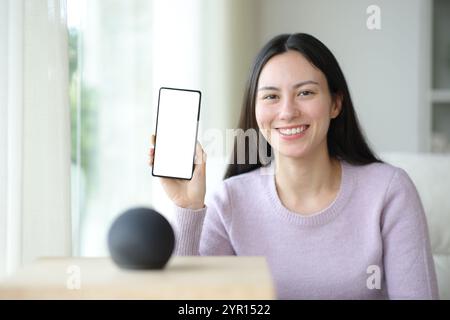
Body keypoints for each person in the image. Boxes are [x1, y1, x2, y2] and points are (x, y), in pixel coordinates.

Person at [148, 33, 438, 299]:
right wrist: (187, 207)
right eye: (271, 97)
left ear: (336, 104)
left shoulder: (388, 191)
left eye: (305, 93)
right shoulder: (230, 201)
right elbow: (189, 302)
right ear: (255, 110)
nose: (287, 112)